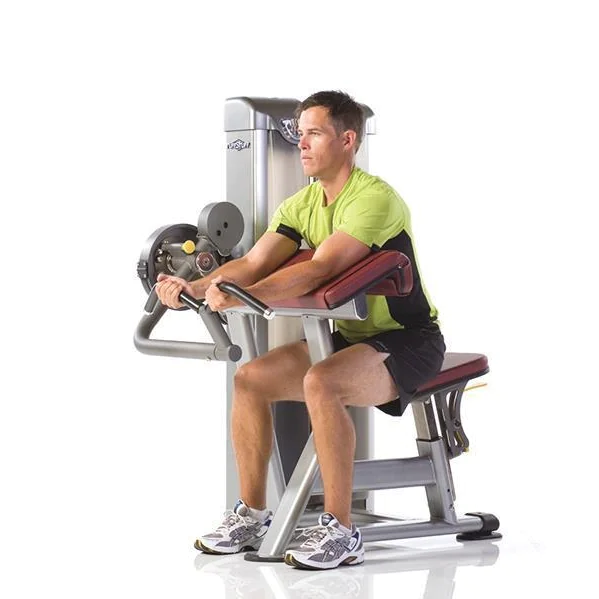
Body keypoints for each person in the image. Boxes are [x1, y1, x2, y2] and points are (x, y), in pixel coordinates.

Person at [155, 90, 445, 570]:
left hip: (408, 340)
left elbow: (320, 269)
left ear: (347, 140)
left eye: (314, 133)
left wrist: (245, 295)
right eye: (300, 134)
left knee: (322, 383)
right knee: (251, 380)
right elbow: (253, 263)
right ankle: (252, 516)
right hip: (349, 338)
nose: (302, 145)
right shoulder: (302, 204)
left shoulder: (374, 199)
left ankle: (341, 532)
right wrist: (194, 287)